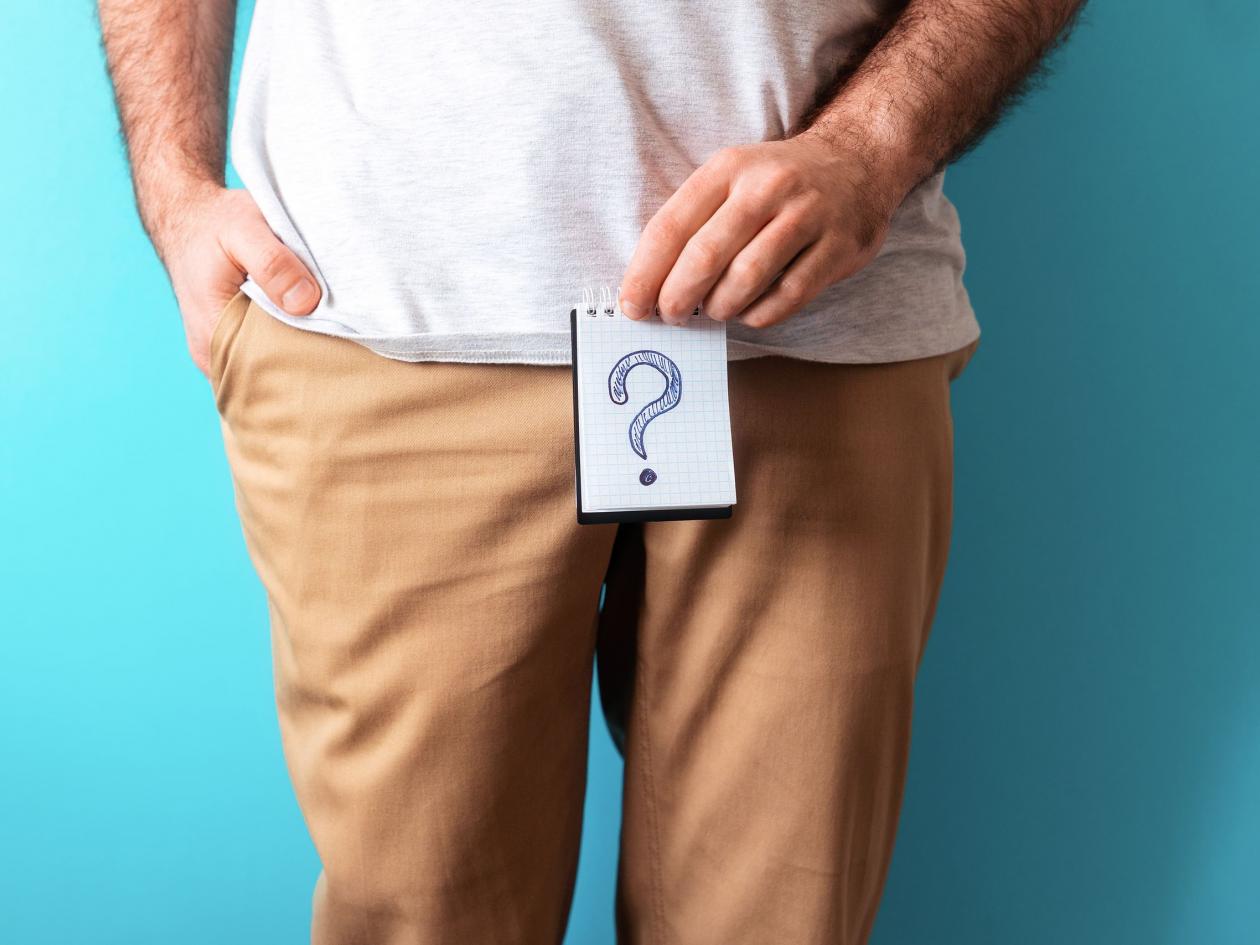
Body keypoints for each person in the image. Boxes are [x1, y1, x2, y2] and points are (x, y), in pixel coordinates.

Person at [98, 1, 1083, 942]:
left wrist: (871, 147)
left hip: (815, 329)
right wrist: (172, 191)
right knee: (422, 920)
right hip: (386, 329)